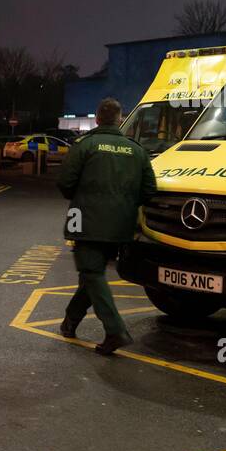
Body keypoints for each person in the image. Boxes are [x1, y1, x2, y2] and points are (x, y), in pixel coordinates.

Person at [57, 97, 157, 355]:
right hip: (121, 226)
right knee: (92, 275)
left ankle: (115, 331)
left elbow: (65, 183)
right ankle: (70, 321)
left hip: (86, 222)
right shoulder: (136, 150)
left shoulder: (84, 145)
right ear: (120, 119)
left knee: (91, 273)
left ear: (98, 119)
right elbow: (149, 190)